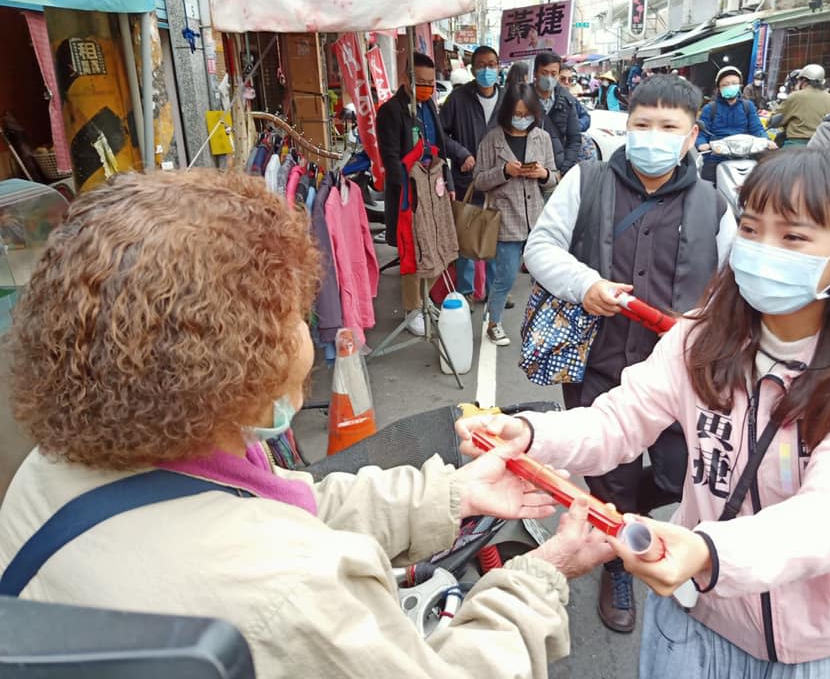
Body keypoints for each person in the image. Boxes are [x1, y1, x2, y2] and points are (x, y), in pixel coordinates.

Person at [0, 169, 615, 679]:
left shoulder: (48, 470)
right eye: (292, 316)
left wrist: (448, 495)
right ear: (231, 361)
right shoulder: (296, 591)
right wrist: (541, 577)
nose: (305, 333)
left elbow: (264, 513)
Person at [461, 147, 830, 677]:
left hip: (812, 643)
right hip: (692, 621)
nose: (762, 250)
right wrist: (528, 432)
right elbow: (618, 420)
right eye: (750, 229)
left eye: (794, 236)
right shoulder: (702, 335)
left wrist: (707, 553)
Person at [523, 74, 736, 632]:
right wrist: (584, 284)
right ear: (626, 125)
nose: (653, 136)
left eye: (669, 127)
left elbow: (734, 286)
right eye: (643, 124)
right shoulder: (586, 180)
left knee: (678, 469)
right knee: (610, 466)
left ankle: (613, 518)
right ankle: (619, 556)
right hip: (599, 363)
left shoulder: (714, 205)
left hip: (682, 375)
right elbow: (540, 247)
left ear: (691, 136)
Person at [375, 52, 456, 336]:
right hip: (410, 192)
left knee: (436, 245)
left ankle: (425, 299)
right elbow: (390, 158)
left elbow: (441, 145)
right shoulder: (390, 111)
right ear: (406, 80)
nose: (426, 87)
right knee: (414, 251)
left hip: (436, 187)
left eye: (430, 82)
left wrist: (448, 182)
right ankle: (412, 309)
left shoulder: (429, 106)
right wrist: (411, 190)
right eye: (420, 82)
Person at [474, 82, 558, 346]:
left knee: (542, 278)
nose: (522, 120)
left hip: (537, 221)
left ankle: (541, 324)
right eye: (517, 114)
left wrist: (543, 174)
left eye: (527, 114)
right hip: (506, 221)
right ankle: (493, 323)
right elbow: (478, 180)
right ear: (507, 111)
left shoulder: (541, 138)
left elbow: (554, 176)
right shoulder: (492, 140)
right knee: (505, 278)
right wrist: (504, 172)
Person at [441, 45, 504, 310]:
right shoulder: (457, 99)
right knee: (466, 235)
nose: (486, 70)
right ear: (472, 68)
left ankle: (494, 290)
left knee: (497, 236)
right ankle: (466, 290)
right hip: (468, 178)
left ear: (498, 66)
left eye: (491, 64)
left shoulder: (508, 99)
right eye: (481, 65)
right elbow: (440, 134)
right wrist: (461, 153)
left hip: (501, 180)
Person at [695, 66, 773, 184]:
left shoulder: (748, 106)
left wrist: (766, 140)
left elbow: (757, 128)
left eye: (734, 83)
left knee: (763, 181)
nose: (730, 87)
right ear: (719, 88)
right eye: (725, 84)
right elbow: (701, 133)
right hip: (716, 156)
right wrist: (701, 144)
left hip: (746, 155)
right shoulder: (710, 109)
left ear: (739, 86)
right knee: (707, 189)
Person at [531, 51, 582, 176]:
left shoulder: (567, 101)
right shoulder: (522, 98)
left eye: (553, 74)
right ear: (535, 74)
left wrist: (563, 169)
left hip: (555, 170)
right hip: (527, 169)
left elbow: (574, 139)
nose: (549, 78)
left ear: (558, 75)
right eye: (544, 73)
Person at [769, 64, 830, 147]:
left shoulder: (796, 96)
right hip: (822, 147)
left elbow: (775, 120)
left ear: (803, 81)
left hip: (796, 145)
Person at [560, 64, 596, 161]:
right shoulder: (549, 101)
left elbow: (586, 117)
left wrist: (575, 126)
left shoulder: (571, 99)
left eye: (570, 80)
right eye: (562, 79)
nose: (567, 83)